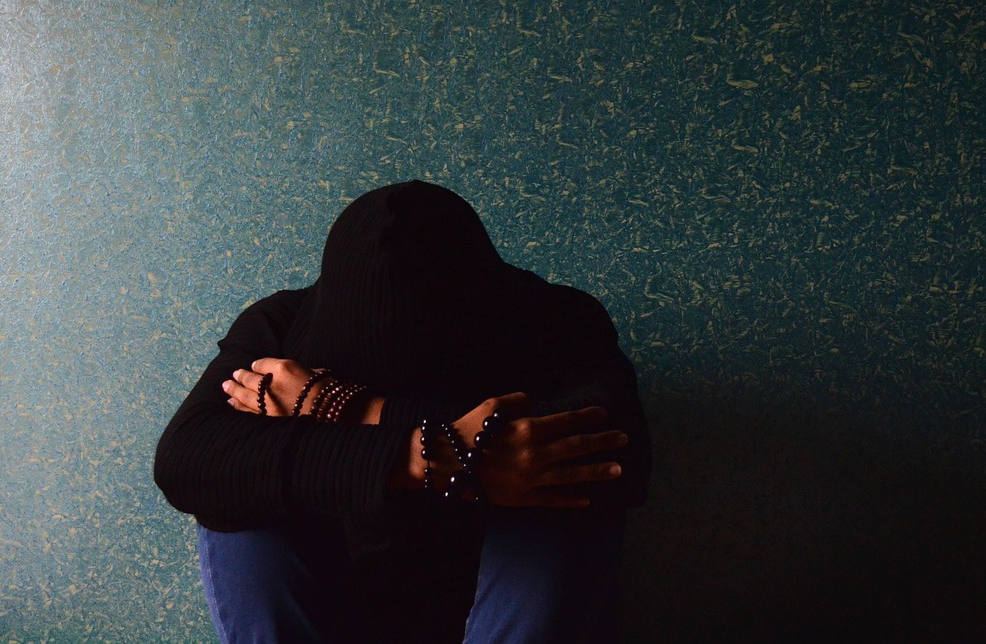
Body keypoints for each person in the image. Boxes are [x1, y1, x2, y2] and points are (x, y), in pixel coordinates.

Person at [154, 181, 652, 643]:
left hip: (489, 594)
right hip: (337, 598)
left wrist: (348, 407)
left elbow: (624, 460)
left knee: (565, 480)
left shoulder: (556, 318)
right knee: (237, 492)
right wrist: (443, 456)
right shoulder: (282, 323)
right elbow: (186, 459)